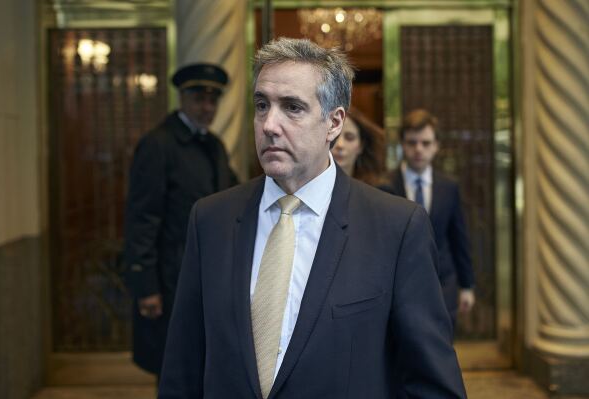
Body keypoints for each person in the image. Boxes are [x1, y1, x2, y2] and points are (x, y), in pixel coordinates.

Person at [159, 38, 466, 398]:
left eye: (292, 107)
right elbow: (183, 368)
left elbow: (432, 384)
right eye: (262, 105)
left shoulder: (396, 228)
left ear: (333, 122)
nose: (269, 124)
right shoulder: (211, 220)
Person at [124, 63, 238, 376]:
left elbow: (233, 194)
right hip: (170, 276)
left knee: (203, 366)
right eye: (199, 99)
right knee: (174, 368)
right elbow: (142, 218)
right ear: (182, 99)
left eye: (213, 100)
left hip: (207, 274)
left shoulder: (214, 145)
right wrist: (146, 285)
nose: (207, 108)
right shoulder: (158, 145)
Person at [380, 109, 475, 328]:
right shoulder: (385, 185)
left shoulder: (449, 187)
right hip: (400, 284)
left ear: (436, 145)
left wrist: (467, 285)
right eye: (412, 142)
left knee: (442, 347)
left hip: (444, 283)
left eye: (425, 142)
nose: (418, 149)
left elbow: (459, 237)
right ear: (402, 144)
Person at [331, 108, 389, 186]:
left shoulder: (376, 190)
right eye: (334, 136)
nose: (340, 145)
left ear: (361, 146)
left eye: (349, 138)